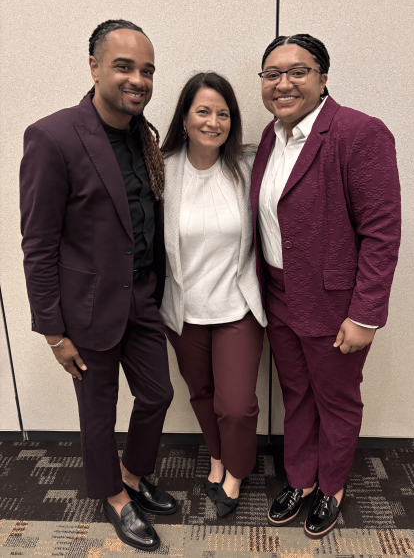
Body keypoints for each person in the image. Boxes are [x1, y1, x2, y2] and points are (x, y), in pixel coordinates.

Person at [20, 19, 177, 552]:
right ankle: (112, 496)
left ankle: (132, 477)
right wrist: (52, 332)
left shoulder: (144, 135)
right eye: (125, 66)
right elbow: (38, 243)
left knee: (158, 394)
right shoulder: (54, 136)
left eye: (147, 70)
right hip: (85, 308)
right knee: (98, 411)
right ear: (93, 67)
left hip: (141, 297)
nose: (138, 79)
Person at [251, 34, 401, 538]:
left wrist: (365, 314)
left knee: (336, 397)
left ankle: (331, 486)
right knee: (296, 393)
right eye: (272, 74)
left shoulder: (360, 132)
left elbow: (381, 230)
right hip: (277, 292)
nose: (283, 83)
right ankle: (301, 478)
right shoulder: (271, 137)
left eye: (298, 71)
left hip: (335, 303)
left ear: (323, 77)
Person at [160, 72, 267, 517]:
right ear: (184, 118)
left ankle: (237, 471)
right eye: (203, 111)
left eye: (223, 113)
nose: (213, 121)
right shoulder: (162, 169)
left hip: (236, 306)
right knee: (201, 393)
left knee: (237, 405)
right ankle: (218, 457)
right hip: (184, 309)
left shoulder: (247, 164)